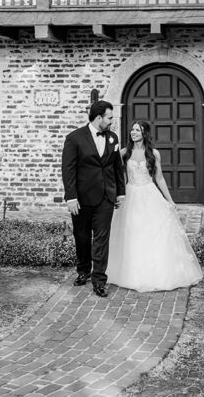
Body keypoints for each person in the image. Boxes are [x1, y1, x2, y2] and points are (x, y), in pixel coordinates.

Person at [107, 120, 203, 292]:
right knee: (132, 231)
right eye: (132, 129)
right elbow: (121, 179)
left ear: (145, 133)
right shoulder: (124, 153)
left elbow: (159, 178)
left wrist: (170, 200)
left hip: (149, 193)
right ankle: (131, 272)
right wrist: (118, 196)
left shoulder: (154, 154)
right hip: (131, 194)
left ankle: (155, 272)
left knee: (152, 230)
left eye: (137, 130)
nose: (133, 132)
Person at [61, 100, 126, 297]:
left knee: (101, 239)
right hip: (81, 198)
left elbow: (117, 167)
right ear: (99, 118)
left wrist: (120, 192)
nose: (111, 121)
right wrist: (71, 197)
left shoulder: (113, 138)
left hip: (106, 197)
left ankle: (99, 280)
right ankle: (83, 271)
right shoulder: (74, 138)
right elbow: (68, 170)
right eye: (109, 118)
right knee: (81, 237)